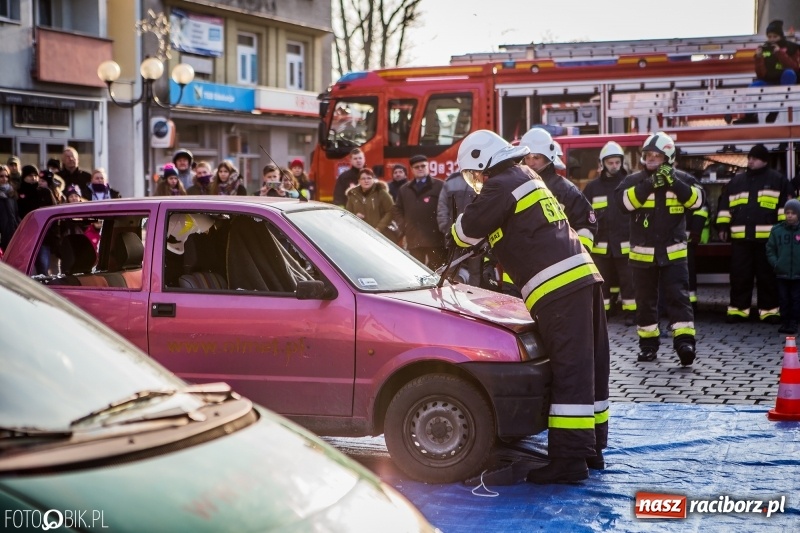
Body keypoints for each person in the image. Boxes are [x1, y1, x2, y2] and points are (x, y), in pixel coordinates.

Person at [448, 129, 608, 484]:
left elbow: (465, 232)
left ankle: (569, 461)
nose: (476, 182)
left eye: (474, 175)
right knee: (589, 366)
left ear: (483, 163)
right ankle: (591, 449)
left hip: (558, 287)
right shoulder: (527, 175)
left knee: (569, 370)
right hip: (581, 279)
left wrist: (464, 223)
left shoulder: (500, 183)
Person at [614, 132, 705, 366]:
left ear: (669, 157)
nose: (652, 160)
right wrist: (648, 185)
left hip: (674, 256)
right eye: (648, 156)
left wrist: (673, 182)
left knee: (678, 299)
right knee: (645, 303)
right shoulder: (633, 181)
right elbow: (623, 204)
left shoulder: (683, 179)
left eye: (658, 156)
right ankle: (648, 346)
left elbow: (697, 201)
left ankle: (685, 343)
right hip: (642, 257)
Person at [716, 144, 791, 324]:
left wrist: (783, 233)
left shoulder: (778, 180)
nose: (750, 161)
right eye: (749, 158)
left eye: (754, 158)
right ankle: (739, 310)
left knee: (767, 276)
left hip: (767, 240)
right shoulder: (737, 181)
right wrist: (722, 227)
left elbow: (785, 209)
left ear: (764, 160)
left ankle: (770, 311)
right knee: (740, 275)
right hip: (741, 240)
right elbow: (724, 206)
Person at [582, 141, 636, 325]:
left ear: (622, 162)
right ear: (602, 163)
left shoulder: (630, 183)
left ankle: (631, 313)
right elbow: (585, 214)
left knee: (629, 282)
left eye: (617, 162)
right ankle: (604, 313)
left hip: (625, 243)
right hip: (601, 245)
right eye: (610, 162)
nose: (614, 166)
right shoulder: (592, 187)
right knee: (602, 282)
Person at [519, 127, 597, 251]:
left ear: (548, 158)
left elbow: (585, 225)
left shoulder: (566, 191)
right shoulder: (516, 188)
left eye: (536, 157)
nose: (530, 163)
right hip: (522, 265)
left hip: (556, 263)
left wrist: (579, 253)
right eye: (527, 158)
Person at [732, 20, 800, 125]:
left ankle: (775, 110)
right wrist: (759, 58)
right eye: (769, 37)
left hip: (786, 81)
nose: (772, 39)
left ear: (781, 36)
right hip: (770, 80)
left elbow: (794, 67)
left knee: (789, 73)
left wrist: (780, 53)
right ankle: (751, 117)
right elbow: (760, 74)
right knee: (753, 87)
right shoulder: (764, 49)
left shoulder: (792, 47)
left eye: (775, 36)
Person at [394, 154, 446, 268]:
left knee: (437, 270)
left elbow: (447, 207)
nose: (420, 168)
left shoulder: (440, 186)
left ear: (428, 167)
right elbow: (397, 209)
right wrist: (404, 226)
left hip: (435, 238)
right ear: (412, 169)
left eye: (423, 166)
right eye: (417, 167)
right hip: (414, 238)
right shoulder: (404, 189)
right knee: (417, 271)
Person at [437, 171, 482, 286]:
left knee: (475, 271)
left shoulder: (481, 179)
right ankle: (452, 295)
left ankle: (472, 296)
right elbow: (442, 206)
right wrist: (445, 227)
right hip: (454, 234)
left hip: (475, 235)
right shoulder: (451, 181)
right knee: (451, 269)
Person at [766, 199, 800, 334]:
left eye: (793, 213)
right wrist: (776, 264)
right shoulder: (777, 230)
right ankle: (785, 321)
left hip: (798, 274)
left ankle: (794, 322)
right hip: (782, 273)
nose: (790, 216)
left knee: (796, 299)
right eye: (787, 213)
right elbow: (770, 249)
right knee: (784, 299)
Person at [16, 165, 57, 274]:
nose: (33, 178)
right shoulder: (18, 193)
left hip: (43, 236)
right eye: (30, 175)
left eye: (35, 175)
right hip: (25, 237)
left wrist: (51, 233)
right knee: (24, 270)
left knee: (43, 269)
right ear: (24, 176)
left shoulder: (45, 192)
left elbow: (54, 213)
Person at [345, 168, 394, 234]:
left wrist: (379, 228)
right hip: (359, 232)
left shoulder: (381, 192)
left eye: (369, 178)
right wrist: (355, 215)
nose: (366, 181)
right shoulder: (353, 195)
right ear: (359, 181)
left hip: (380, 233)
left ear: (373, 180)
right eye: (363, 179)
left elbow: (391, 211)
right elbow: (348, 213)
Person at [0, 164, 20, 251]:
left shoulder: (12, 193)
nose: (4, 179)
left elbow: (15, 214)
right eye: (1, 176)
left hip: (12, 233)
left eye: (6, 176)